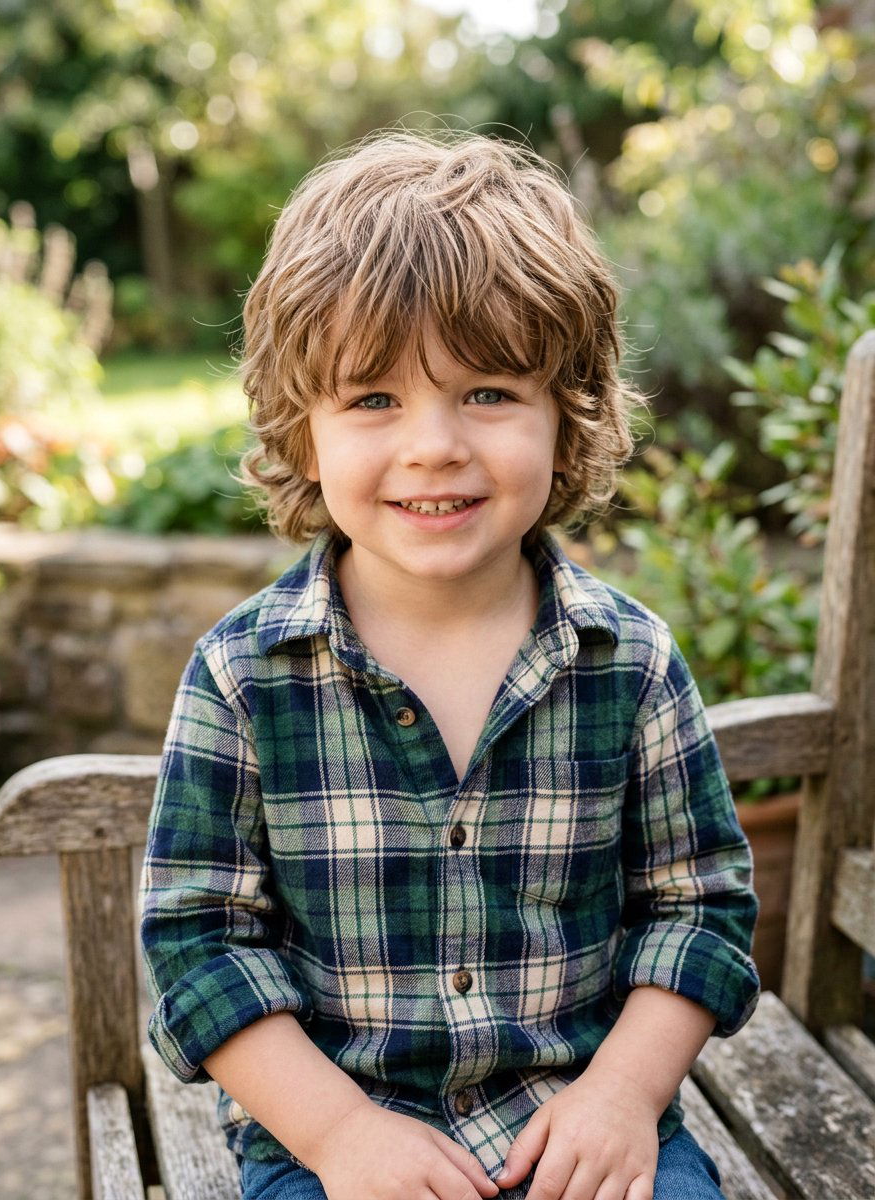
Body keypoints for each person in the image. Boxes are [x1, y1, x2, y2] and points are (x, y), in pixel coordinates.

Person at [139, 128, 760, 1200]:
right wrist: (339, 1136)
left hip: (582, 1123)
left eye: (485, 393)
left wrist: (619, 1097)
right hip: (335, 1140)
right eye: (372, 400)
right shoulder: (244, 678)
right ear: (303, 431)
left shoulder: (630, 663)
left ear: (567, 417)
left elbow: (696, 908)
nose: (432, 444)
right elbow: (200, 947)